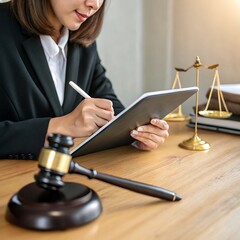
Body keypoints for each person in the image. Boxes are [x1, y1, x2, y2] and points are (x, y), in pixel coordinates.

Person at [0, 0, 169, 160]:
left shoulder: (82, 39)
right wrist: (60, 126)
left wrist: (135, 132)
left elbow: (106, 99)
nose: (94, 4)